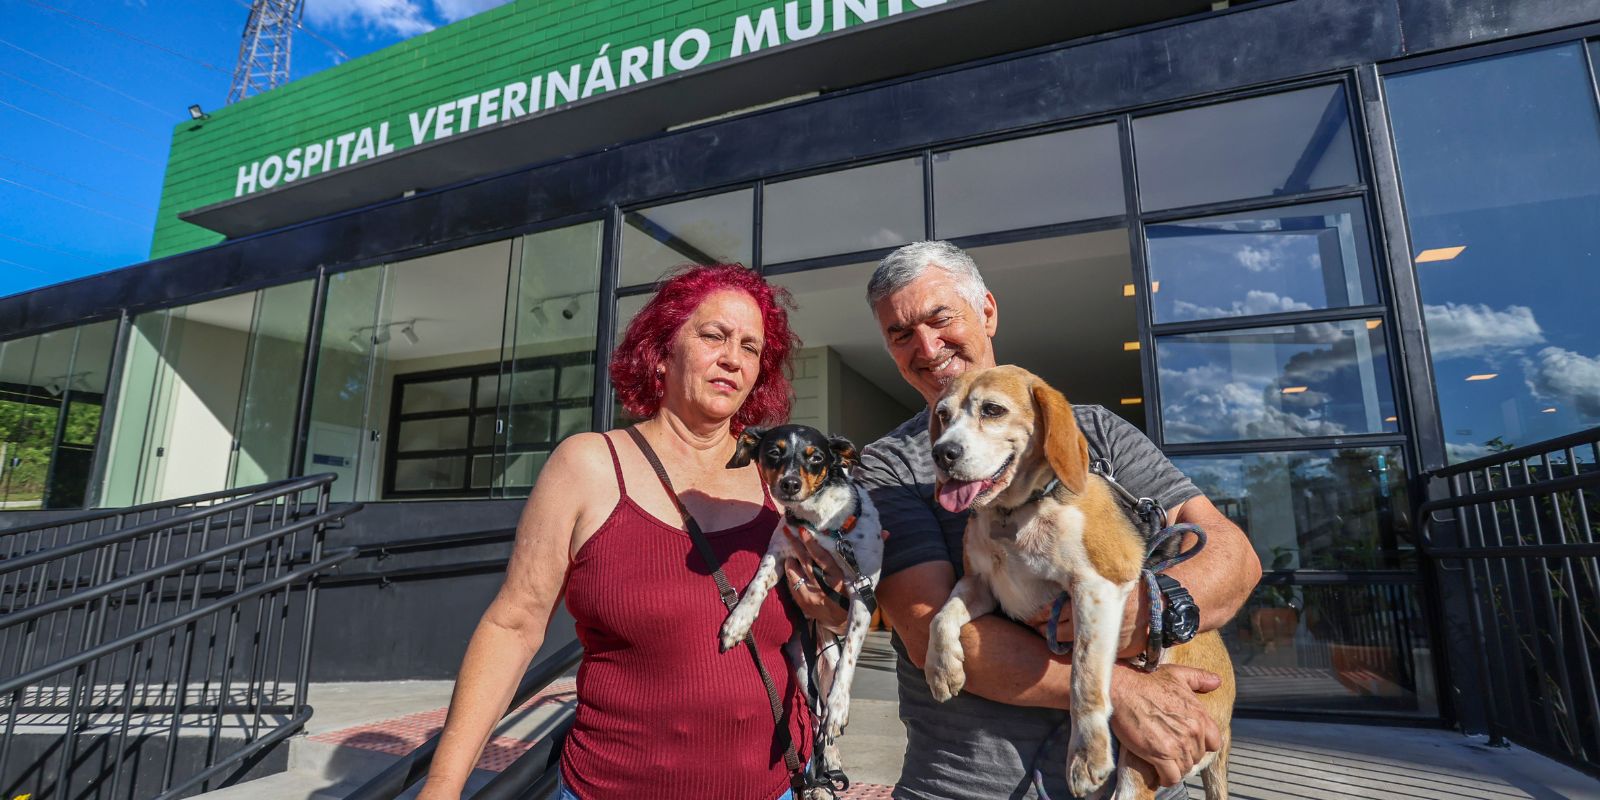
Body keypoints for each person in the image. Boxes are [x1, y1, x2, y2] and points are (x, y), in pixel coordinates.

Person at [843, 241, 1262, 799]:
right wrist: (1117, 690)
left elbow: (1233, 556)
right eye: (900, 334)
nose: (926, 345)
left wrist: (1155, 609)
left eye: (941, 318)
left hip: (1141, 779)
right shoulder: (890, 466)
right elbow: (930, 634)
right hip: (970, 788)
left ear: (987, 312)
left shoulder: (1095, 431)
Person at [416, 264, 843, 800]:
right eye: (713, 336)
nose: (733, 358)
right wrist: (443, 787)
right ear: (662, 351)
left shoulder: (776, 481)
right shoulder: (588, 465)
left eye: (751, 348)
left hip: (771, 787)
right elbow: (513, 627)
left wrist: (837, 606)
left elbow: (834, 611)